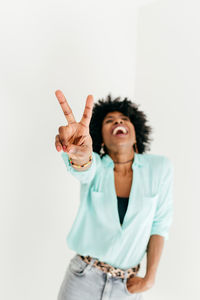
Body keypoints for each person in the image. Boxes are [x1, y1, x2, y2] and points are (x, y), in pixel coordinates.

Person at [54, 90, 174, 300]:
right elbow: (84, 169)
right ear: (100, 137)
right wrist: (80, 155)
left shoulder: (159, 168)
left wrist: (149, 277)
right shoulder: (97, 167)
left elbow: (159, 224)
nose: (118, 122)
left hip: (127, 286)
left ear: (136, 132)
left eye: (124, 119)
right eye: (109, 120)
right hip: (83, 278)